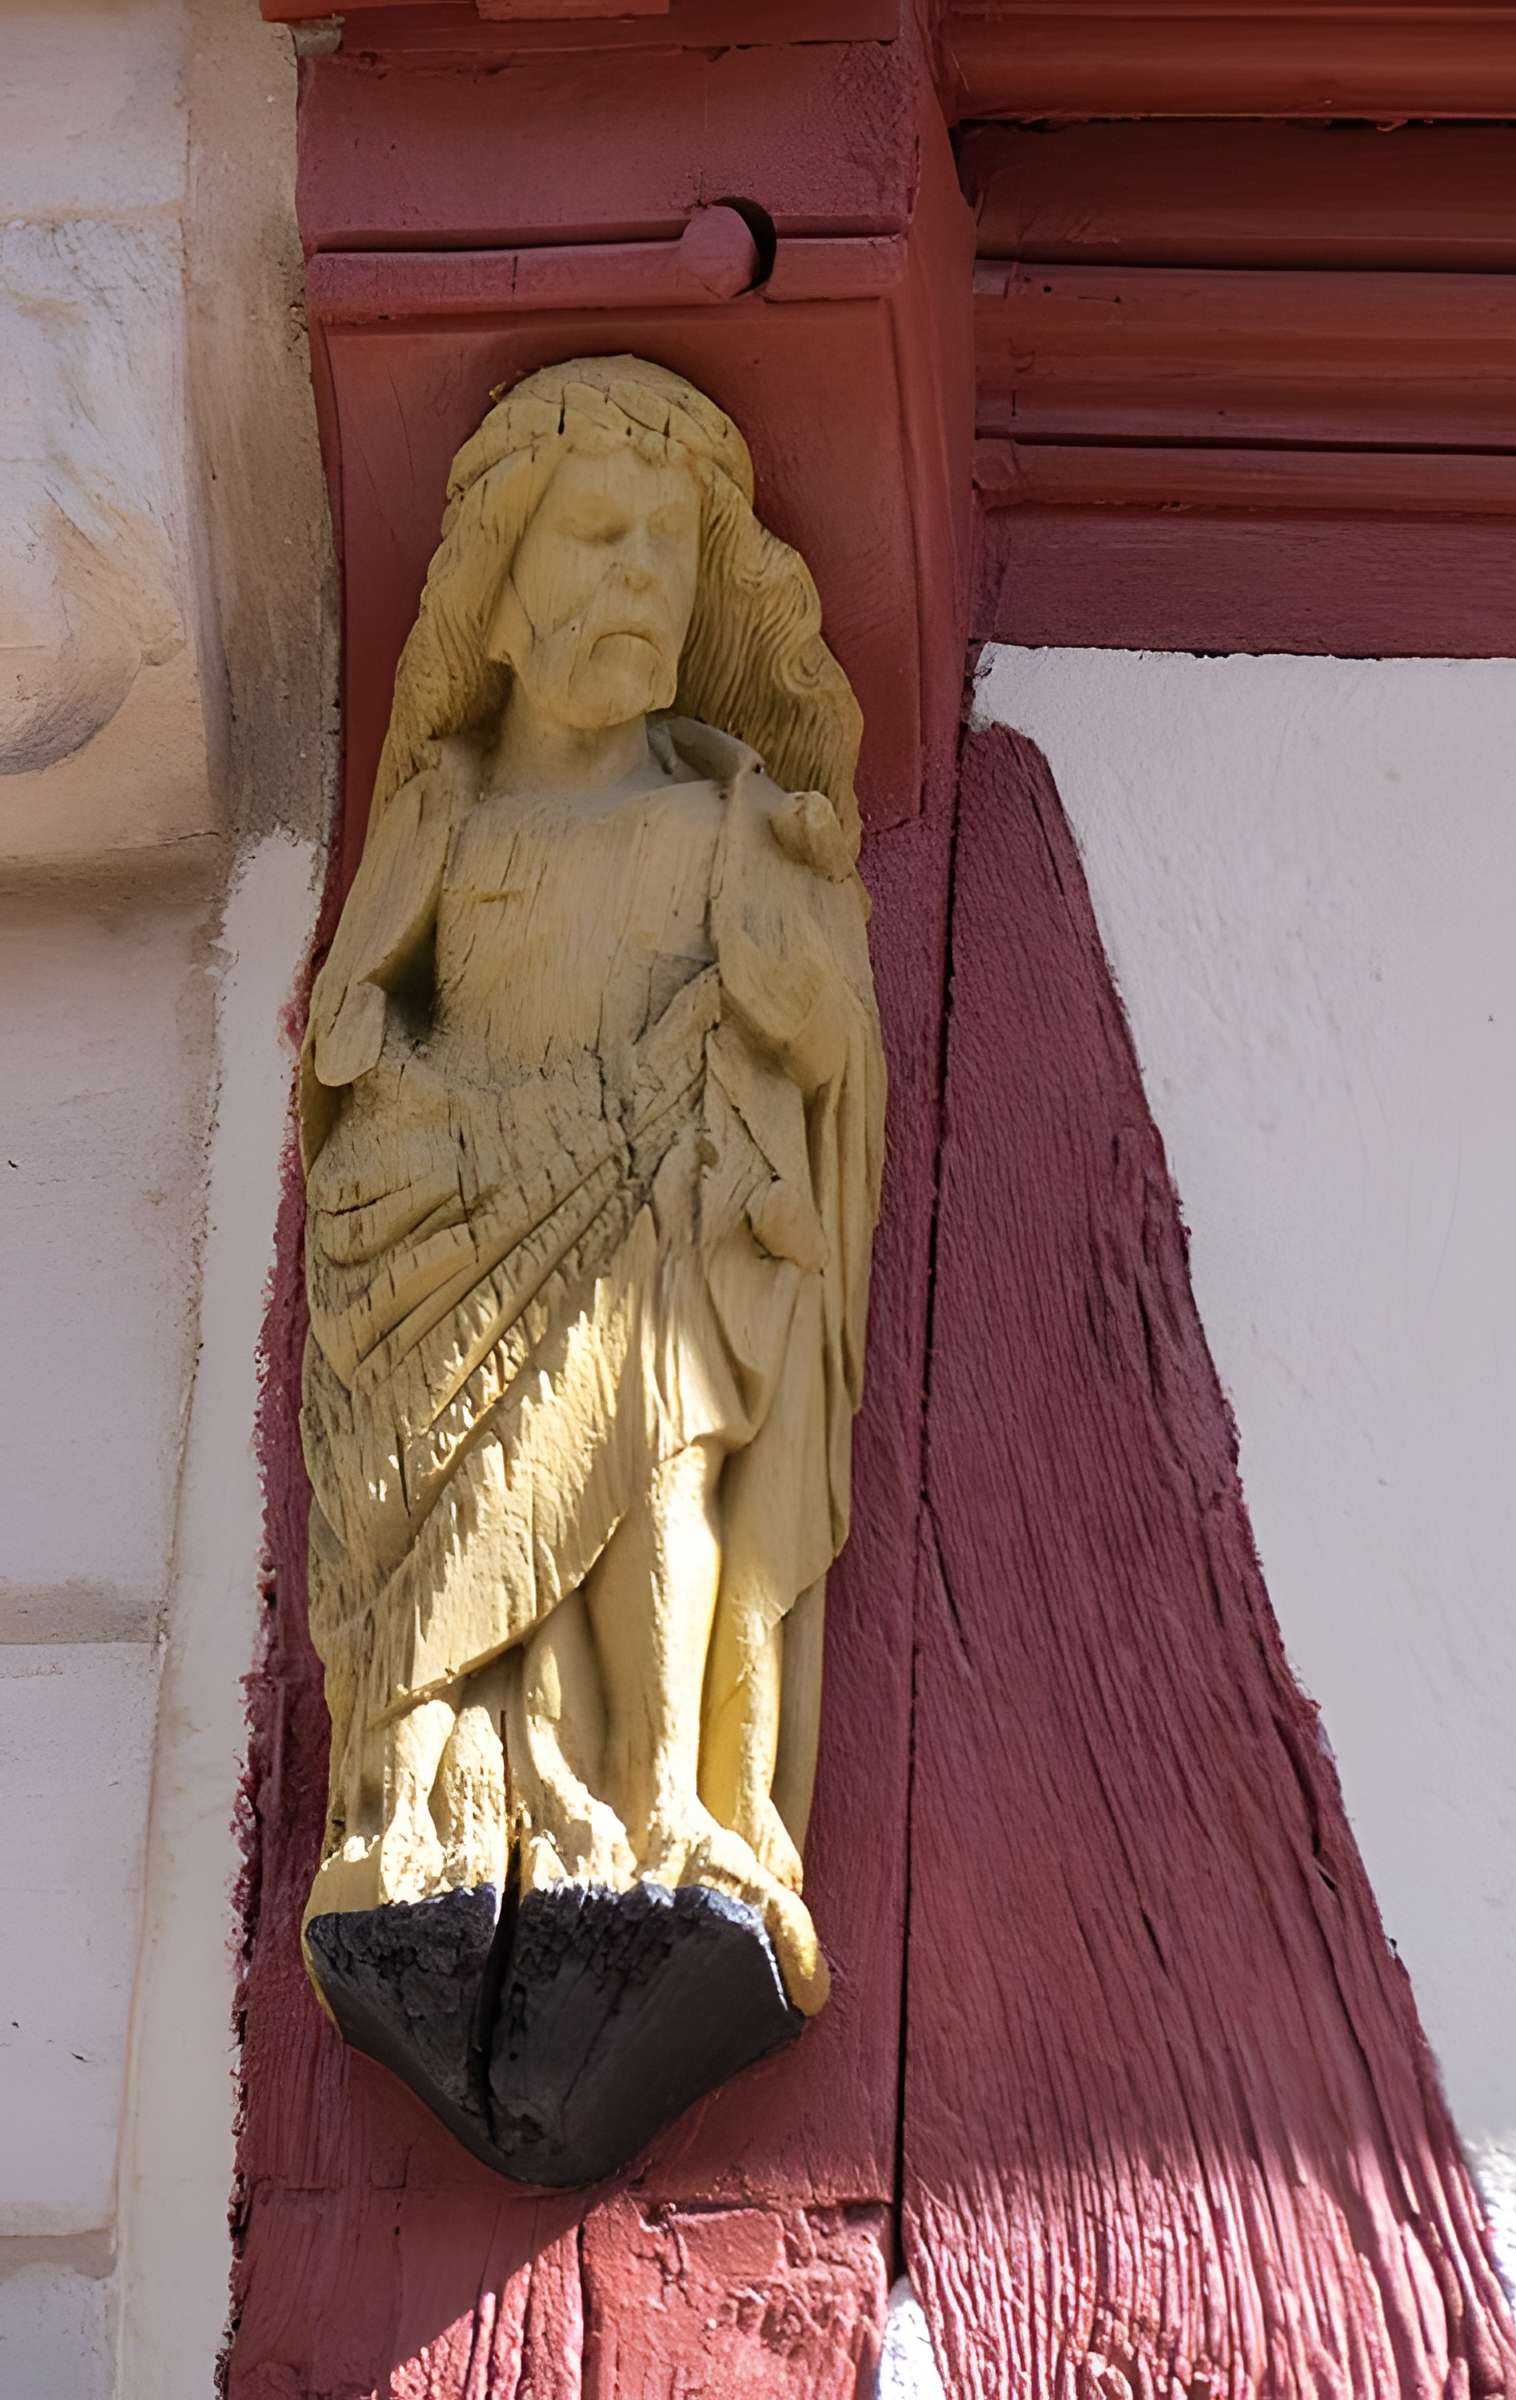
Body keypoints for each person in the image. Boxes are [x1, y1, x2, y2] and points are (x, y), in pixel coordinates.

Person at [298, 357, 884, 2017]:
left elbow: (815, 1035)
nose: (637, 577)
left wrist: (792, 961)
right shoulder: (444, 812)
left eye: (667, 553)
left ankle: (669, 1798)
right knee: (454, 1508)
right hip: (453, 1235)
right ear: (496, 589)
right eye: (594, 538)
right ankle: (438, 1794)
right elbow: (347, 1035)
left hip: (652, 1219)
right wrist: (412, 1108)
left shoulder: (727, 826)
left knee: (665, 1480)